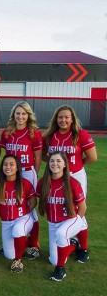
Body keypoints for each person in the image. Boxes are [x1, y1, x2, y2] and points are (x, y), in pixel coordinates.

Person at [42, 105, 97, 263]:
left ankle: (83, 248)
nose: (63, 120)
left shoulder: (80, 134)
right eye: (60, 117)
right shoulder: (50, 135)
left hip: (75, 176)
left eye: (66, 117)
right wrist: (56, 166)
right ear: (56, 119)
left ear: (72, 119)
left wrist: (76, 166)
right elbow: (44, 155)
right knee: (61, 208)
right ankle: (69, 241)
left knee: (78, 210)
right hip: (56, 176)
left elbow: (92, 157)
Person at [0, 101, 43, 258]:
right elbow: (6, 155)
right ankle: (16, 238)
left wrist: (35, 173)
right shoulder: (7, 132)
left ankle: (34, 243)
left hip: (26, 172)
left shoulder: (34, 133)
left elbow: (38, 157)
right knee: (12, 202)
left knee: (29, 207)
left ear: (28, 115)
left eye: (24, 113)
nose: (20, 116)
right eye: (18, 113)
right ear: (13, 115)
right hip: (11, 172)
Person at [37, 151, 87, 281]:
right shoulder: (43, 182)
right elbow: (34, 198)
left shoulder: (73, 183)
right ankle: (73, 246)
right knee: (53, 259)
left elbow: (83, 207)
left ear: (65, 164)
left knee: (62, 233)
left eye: (59, 161)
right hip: (52, 223)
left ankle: (60, 270)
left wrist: (77, 223)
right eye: (52, 161)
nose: (55, 163)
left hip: (70, 220)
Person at [0, 155, 37, 273]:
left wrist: (24, 212)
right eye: (5, 164)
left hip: (23, 218)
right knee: (8, 255)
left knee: (18, 230)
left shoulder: (25, 183)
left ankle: (18, 260)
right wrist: (4, 208)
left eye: (12, 164)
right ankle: (28, 242)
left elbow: (33, 202)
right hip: (6, 221)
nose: (8, 167)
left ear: (17, 168)